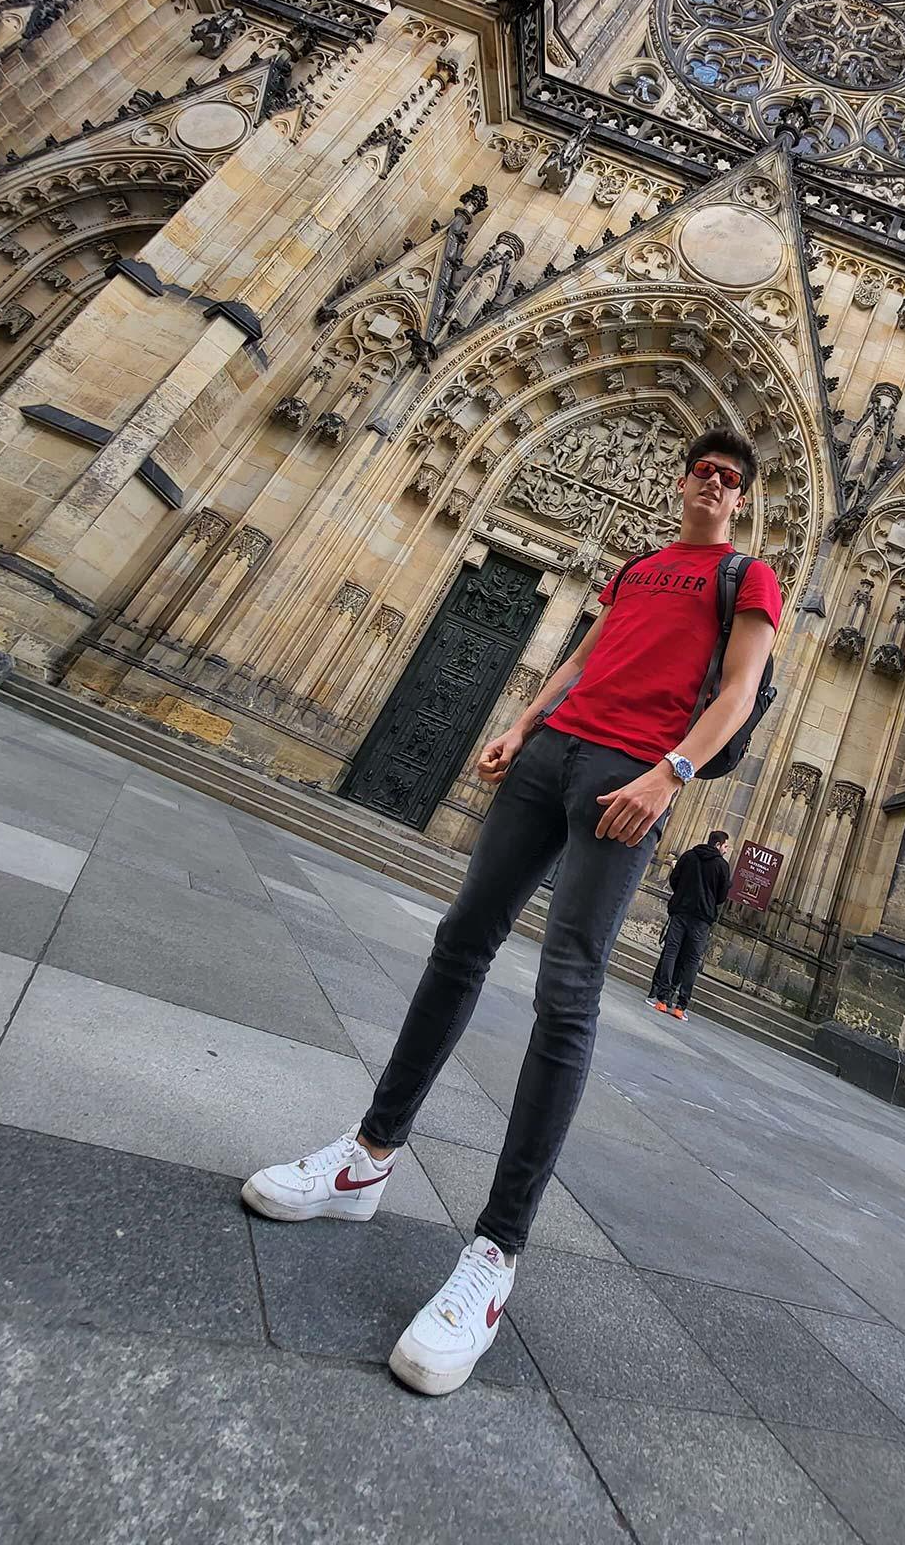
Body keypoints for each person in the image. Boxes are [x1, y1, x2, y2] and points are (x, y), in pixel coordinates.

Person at [241, 428, 780, 1395]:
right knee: (458, 946)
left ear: (742, 499)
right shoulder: (643, 566)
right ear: (679, 478)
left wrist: (671, 776)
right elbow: (584, 655)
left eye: (731, 480)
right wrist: (523, 721)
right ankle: (368, 1157)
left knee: (567, 993)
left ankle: (496, 1255)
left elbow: (739, 690)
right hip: (551, 755)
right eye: (702, 470)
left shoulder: (749, 577)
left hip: (628, 779)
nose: (713, 485)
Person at [648, 829, 731, 1020]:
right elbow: (722, 896)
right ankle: (680, 1006)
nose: (726, 850)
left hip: (681, 911)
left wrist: (683, 895)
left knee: (671, 952)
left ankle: (662, 999)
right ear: (718, 845)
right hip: (702, 918)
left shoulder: (689, 856)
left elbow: (674, 879)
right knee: (692, 961)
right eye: (725, 846)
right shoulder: (721, 866)